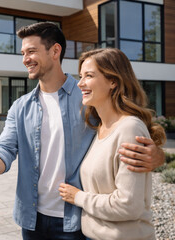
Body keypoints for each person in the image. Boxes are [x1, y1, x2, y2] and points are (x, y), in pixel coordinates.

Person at [0, 22, 165, 239]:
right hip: (32, 220)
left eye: (31, 51)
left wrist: (158, 155)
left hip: (77, 220)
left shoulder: (90, 97)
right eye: (23, 53)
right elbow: (4, 150)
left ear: (55, 51)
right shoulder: (21, 107)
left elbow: (125, 125)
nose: (25, 59)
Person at [58, 48, 166, 240]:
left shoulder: (129, 129)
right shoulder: (98, 128)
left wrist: (78, 197)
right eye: (80, 76)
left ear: (113, 81)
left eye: (89, 76)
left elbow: (128, 206)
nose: (80, 83)